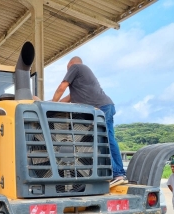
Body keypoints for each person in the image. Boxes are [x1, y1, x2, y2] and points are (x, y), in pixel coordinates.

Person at [52, 56, 126, 186]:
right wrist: (53, 103)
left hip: (100, 108)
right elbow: (69, 97)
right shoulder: (83, 79)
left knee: (101, 140)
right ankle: (119, 173)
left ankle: (115, 173)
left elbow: (62, 87)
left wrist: (52, 104)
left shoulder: (75, 67)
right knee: (109, 139)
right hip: (107, 105)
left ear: (70, 64)